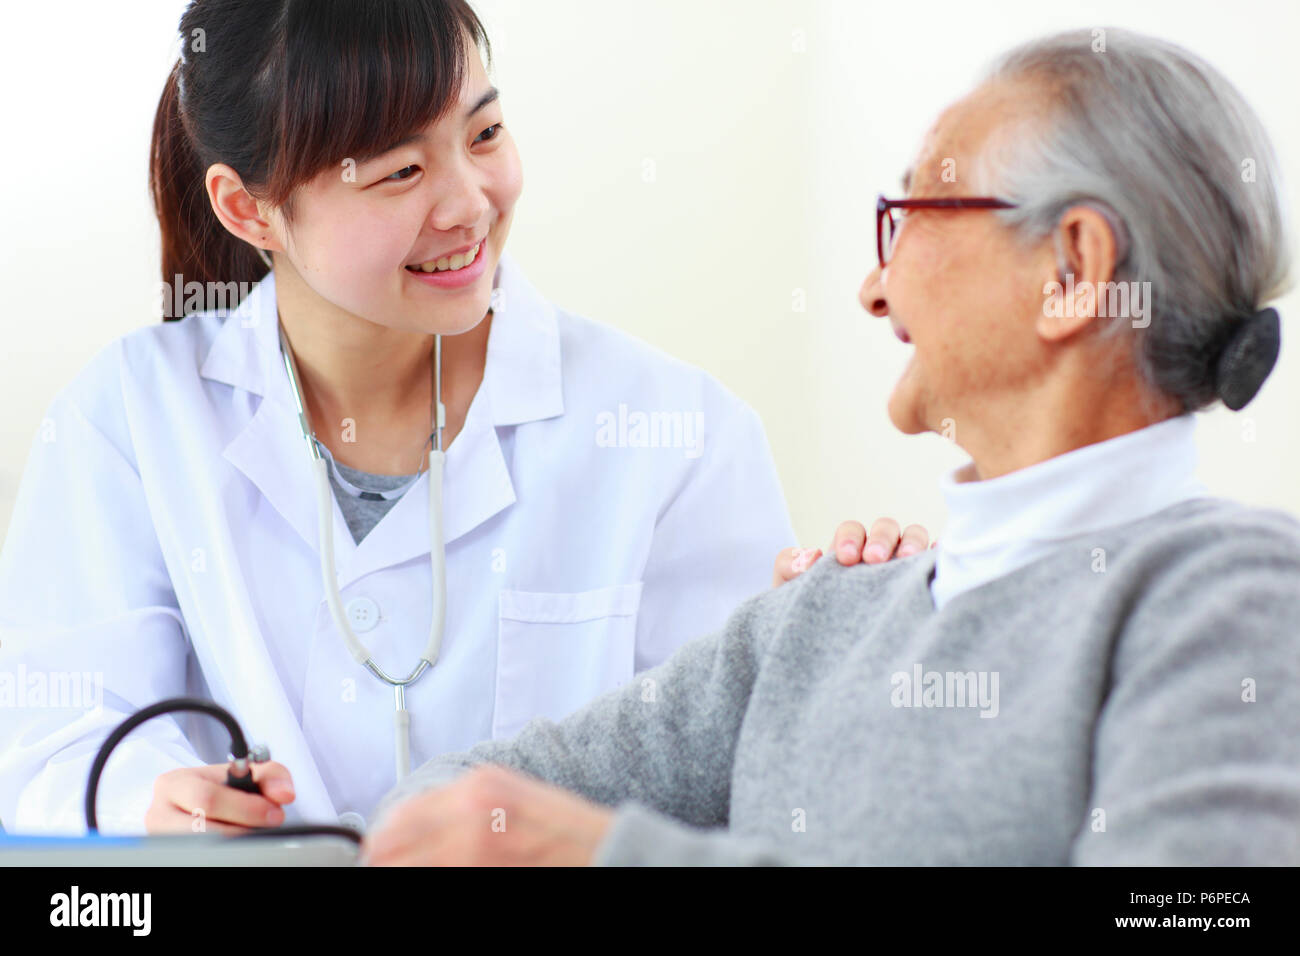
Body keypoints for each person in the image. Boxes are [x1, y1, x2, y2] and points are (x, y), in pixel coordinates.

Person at [362, 27, 1300, 866]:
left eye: (914, 216)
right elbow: (461, 800)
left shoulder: (1233, 596)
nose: (873, 288)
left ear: (1072, 271)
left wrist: (620, 858)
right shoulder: (819, 620)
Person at [0, 0, 926, 835]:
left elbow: (741, 780)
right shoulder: (126, 420)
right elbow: (52, 748)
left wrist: (845, 648)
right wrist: (150, 805)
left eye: (484, 134)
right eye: (400, 171)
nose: (469, 203)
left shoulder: (673, 429)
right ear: (251, 209)